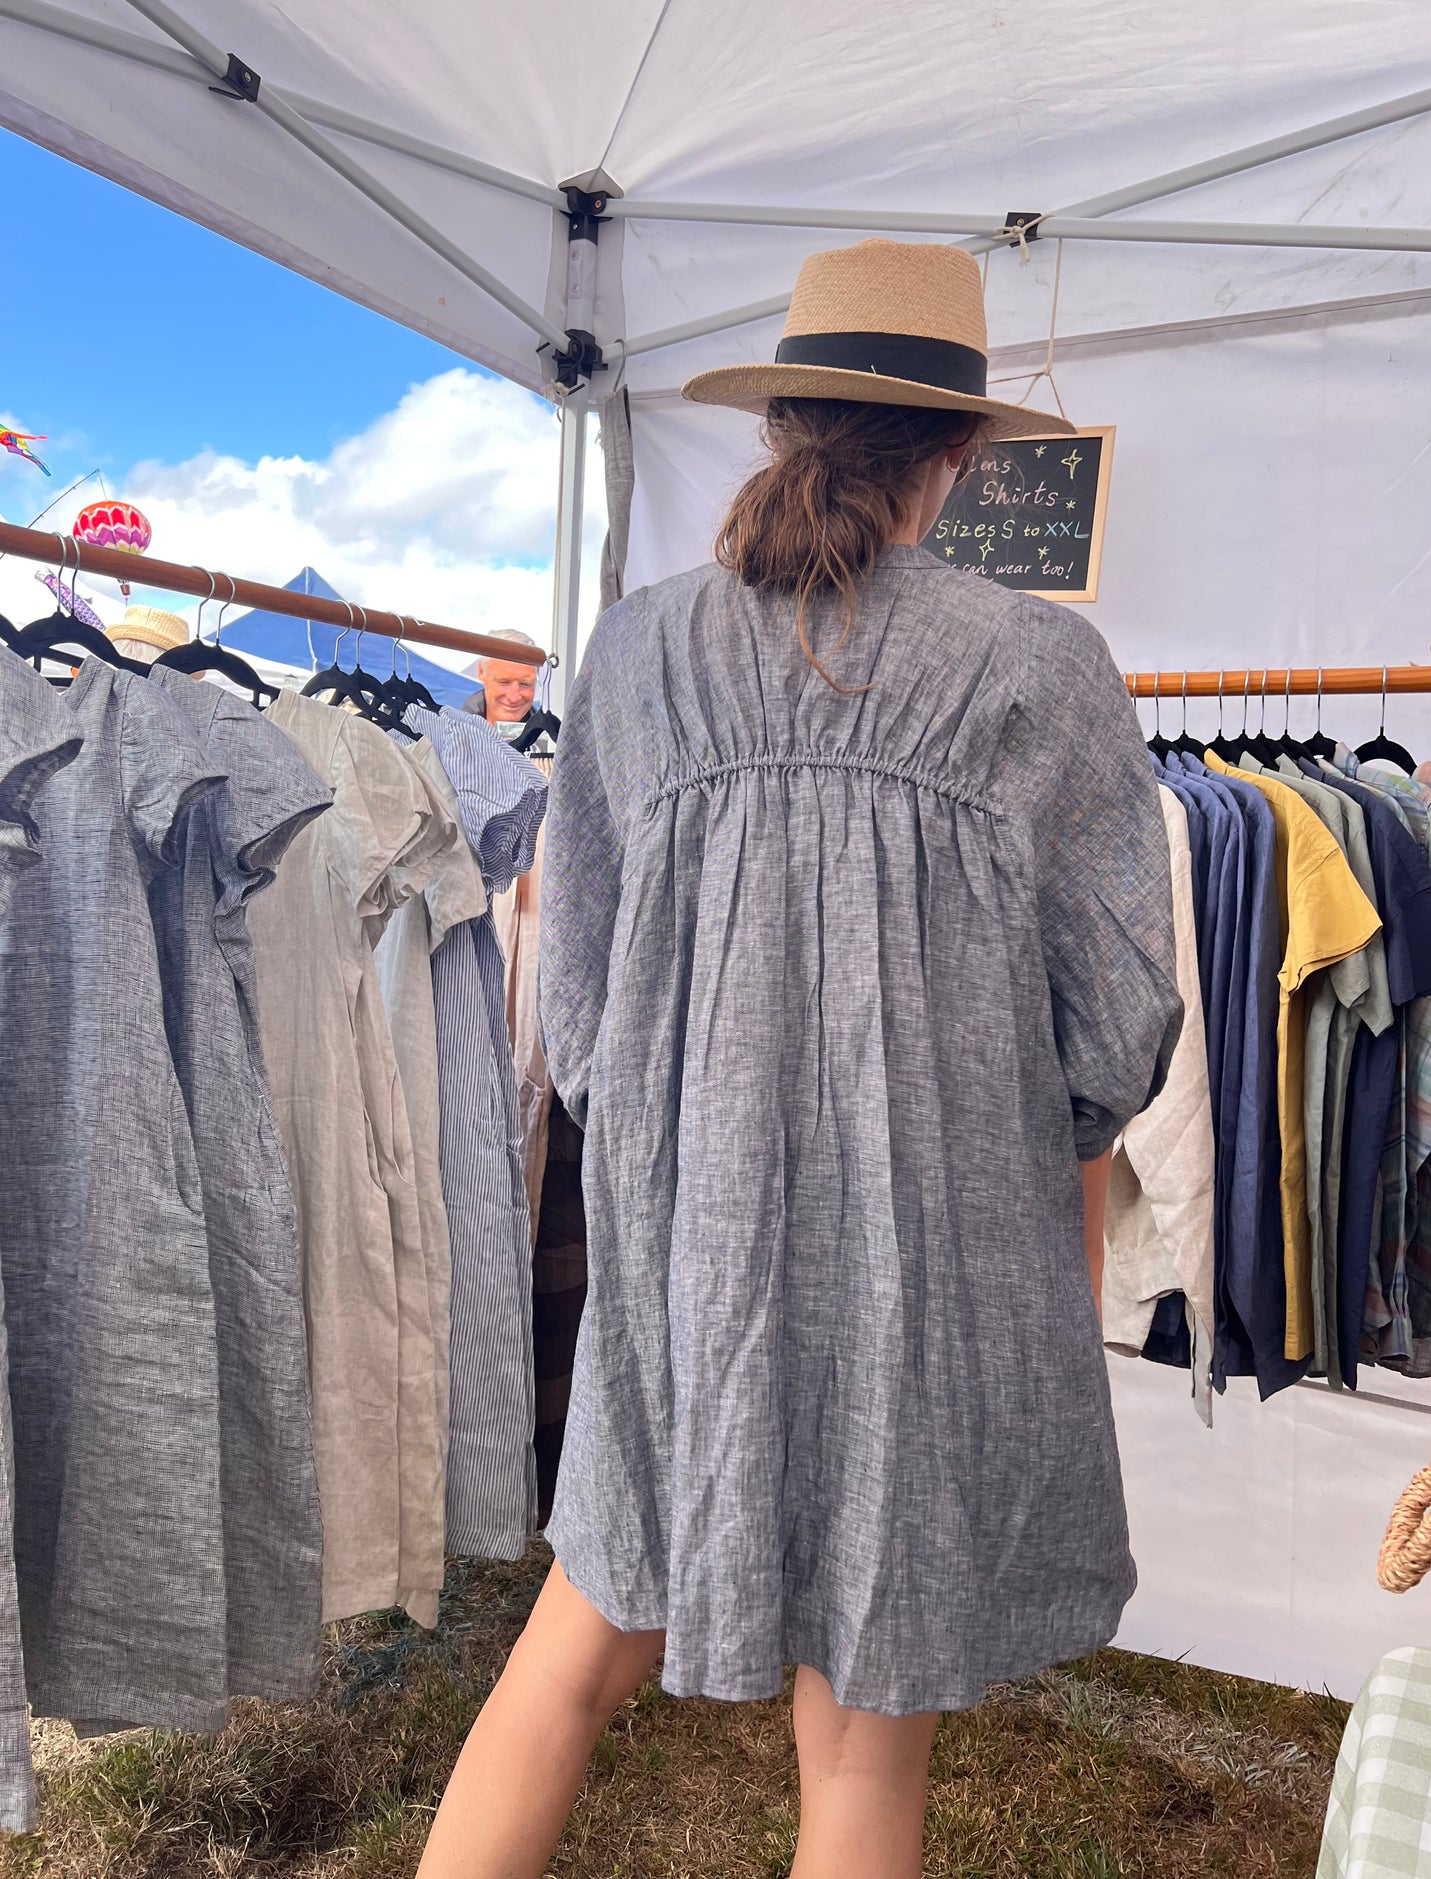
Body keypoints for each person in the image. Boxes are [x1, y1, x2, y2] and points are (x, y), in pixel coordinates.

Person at [416, 238, 1182, 1879]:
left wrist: (692, 1145)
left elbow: (591, 999)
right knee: (856, 1749)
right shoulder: (1042, 671)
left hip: (691, 1269)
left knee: (567, 1658)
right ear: (962, 452)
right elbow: (1121, 1017)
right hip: (926, 1279)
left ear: (779, 422)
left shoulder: (636, 654)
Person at [463, 628, 539, 725]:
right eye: (504, 682)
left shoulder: (552, 737)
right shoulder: (450, 735)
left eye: (525, 684)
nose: (514, 698)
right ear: (481, 672)